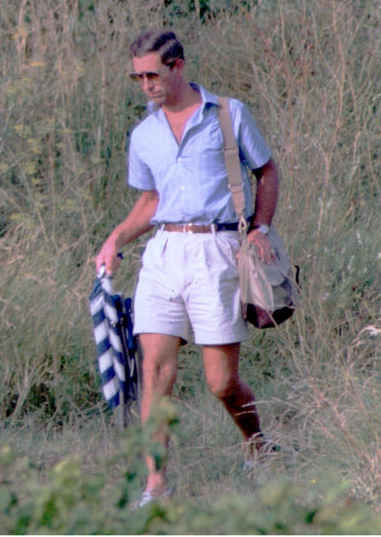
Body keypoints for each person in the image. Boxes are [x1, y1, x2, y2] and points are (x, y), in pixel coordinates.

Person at [94, 30, 279, 507]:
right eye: (138, 77)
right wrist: (115, 240)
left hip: (217, 250)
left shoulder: (228, 114)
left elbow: (268, 171)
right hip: (162, 254)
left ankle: (258, 445)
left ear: (178, 67)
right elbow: (149, 201)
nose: (145, 85)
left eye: (153, 74)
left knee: (221, 382)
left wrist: (259, 228)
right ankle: (155, 485)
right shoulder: (144, 133)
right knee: (153, 372)